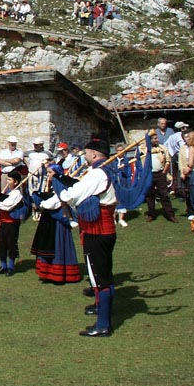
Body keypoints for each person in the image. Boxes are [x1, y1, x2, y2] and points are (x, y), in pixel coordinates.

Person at [58, 136, 118, 337]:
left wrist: (64, 193)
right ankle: (103, 313)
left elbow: (72, 195)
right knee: (103, 275)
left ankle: (103, 324)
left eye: (86, 153)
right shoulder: (105, 171)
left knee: (99, 278)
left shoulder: (97, 174)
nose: (84, 156)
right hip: (103, 230)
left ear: (93, 154)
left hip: (97, 231)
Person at [30, 164, 82, 284]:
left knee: (57, 245)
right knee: (47, 244)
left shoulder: (60, 185)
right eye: (47, 173)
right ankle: (47, 273)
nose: (48, 175)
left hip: (58, 219)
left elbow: (57, 201)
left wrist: (42, 203)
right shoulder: (52, 184)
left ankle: (58, 274)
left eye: (50, 172)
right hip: (48, 219)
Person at [0, 170, 24, 276]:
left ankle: (11, 266)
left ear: (16, 182)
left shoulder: (17, 194)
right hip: (3, 221)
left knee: (11, 243)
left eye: (10, 180)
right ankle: (3, 266)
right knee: (1, 244)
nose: (7, 181)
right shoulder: (8, 192)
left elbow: (8, 206)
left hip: (11, 222)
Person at [144, 129, 176, 222]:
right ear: (149, 140)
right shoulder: (143, 149)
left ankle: (170, 215)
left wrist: (163, 173)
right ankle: (151, 214)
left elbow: (168, 160)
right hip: (149, 175)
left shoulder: (162, 148)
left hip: (160, 174)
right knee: (150, 195)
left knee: (164, 194)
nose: (157, 139)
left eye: (157, 138)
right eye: (155, 138)